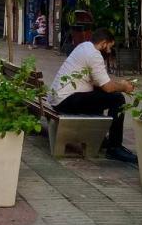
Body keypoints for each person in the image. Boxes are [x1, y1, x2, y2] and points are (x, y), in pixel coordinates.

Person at [48, 27, 137, 164]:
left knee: (99, 95)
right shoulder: (94, 55)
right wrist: (124, 87)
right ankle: (115, 147)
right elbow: (107, 87)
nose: (109, 51)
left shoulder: (84, 46)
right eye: (109, 47)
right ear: (103, 43)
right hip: (66, 100)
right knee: (117, 98)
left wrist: (117, 84)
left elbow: (100, 82)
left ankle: (97, 138)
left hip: (59, 99)